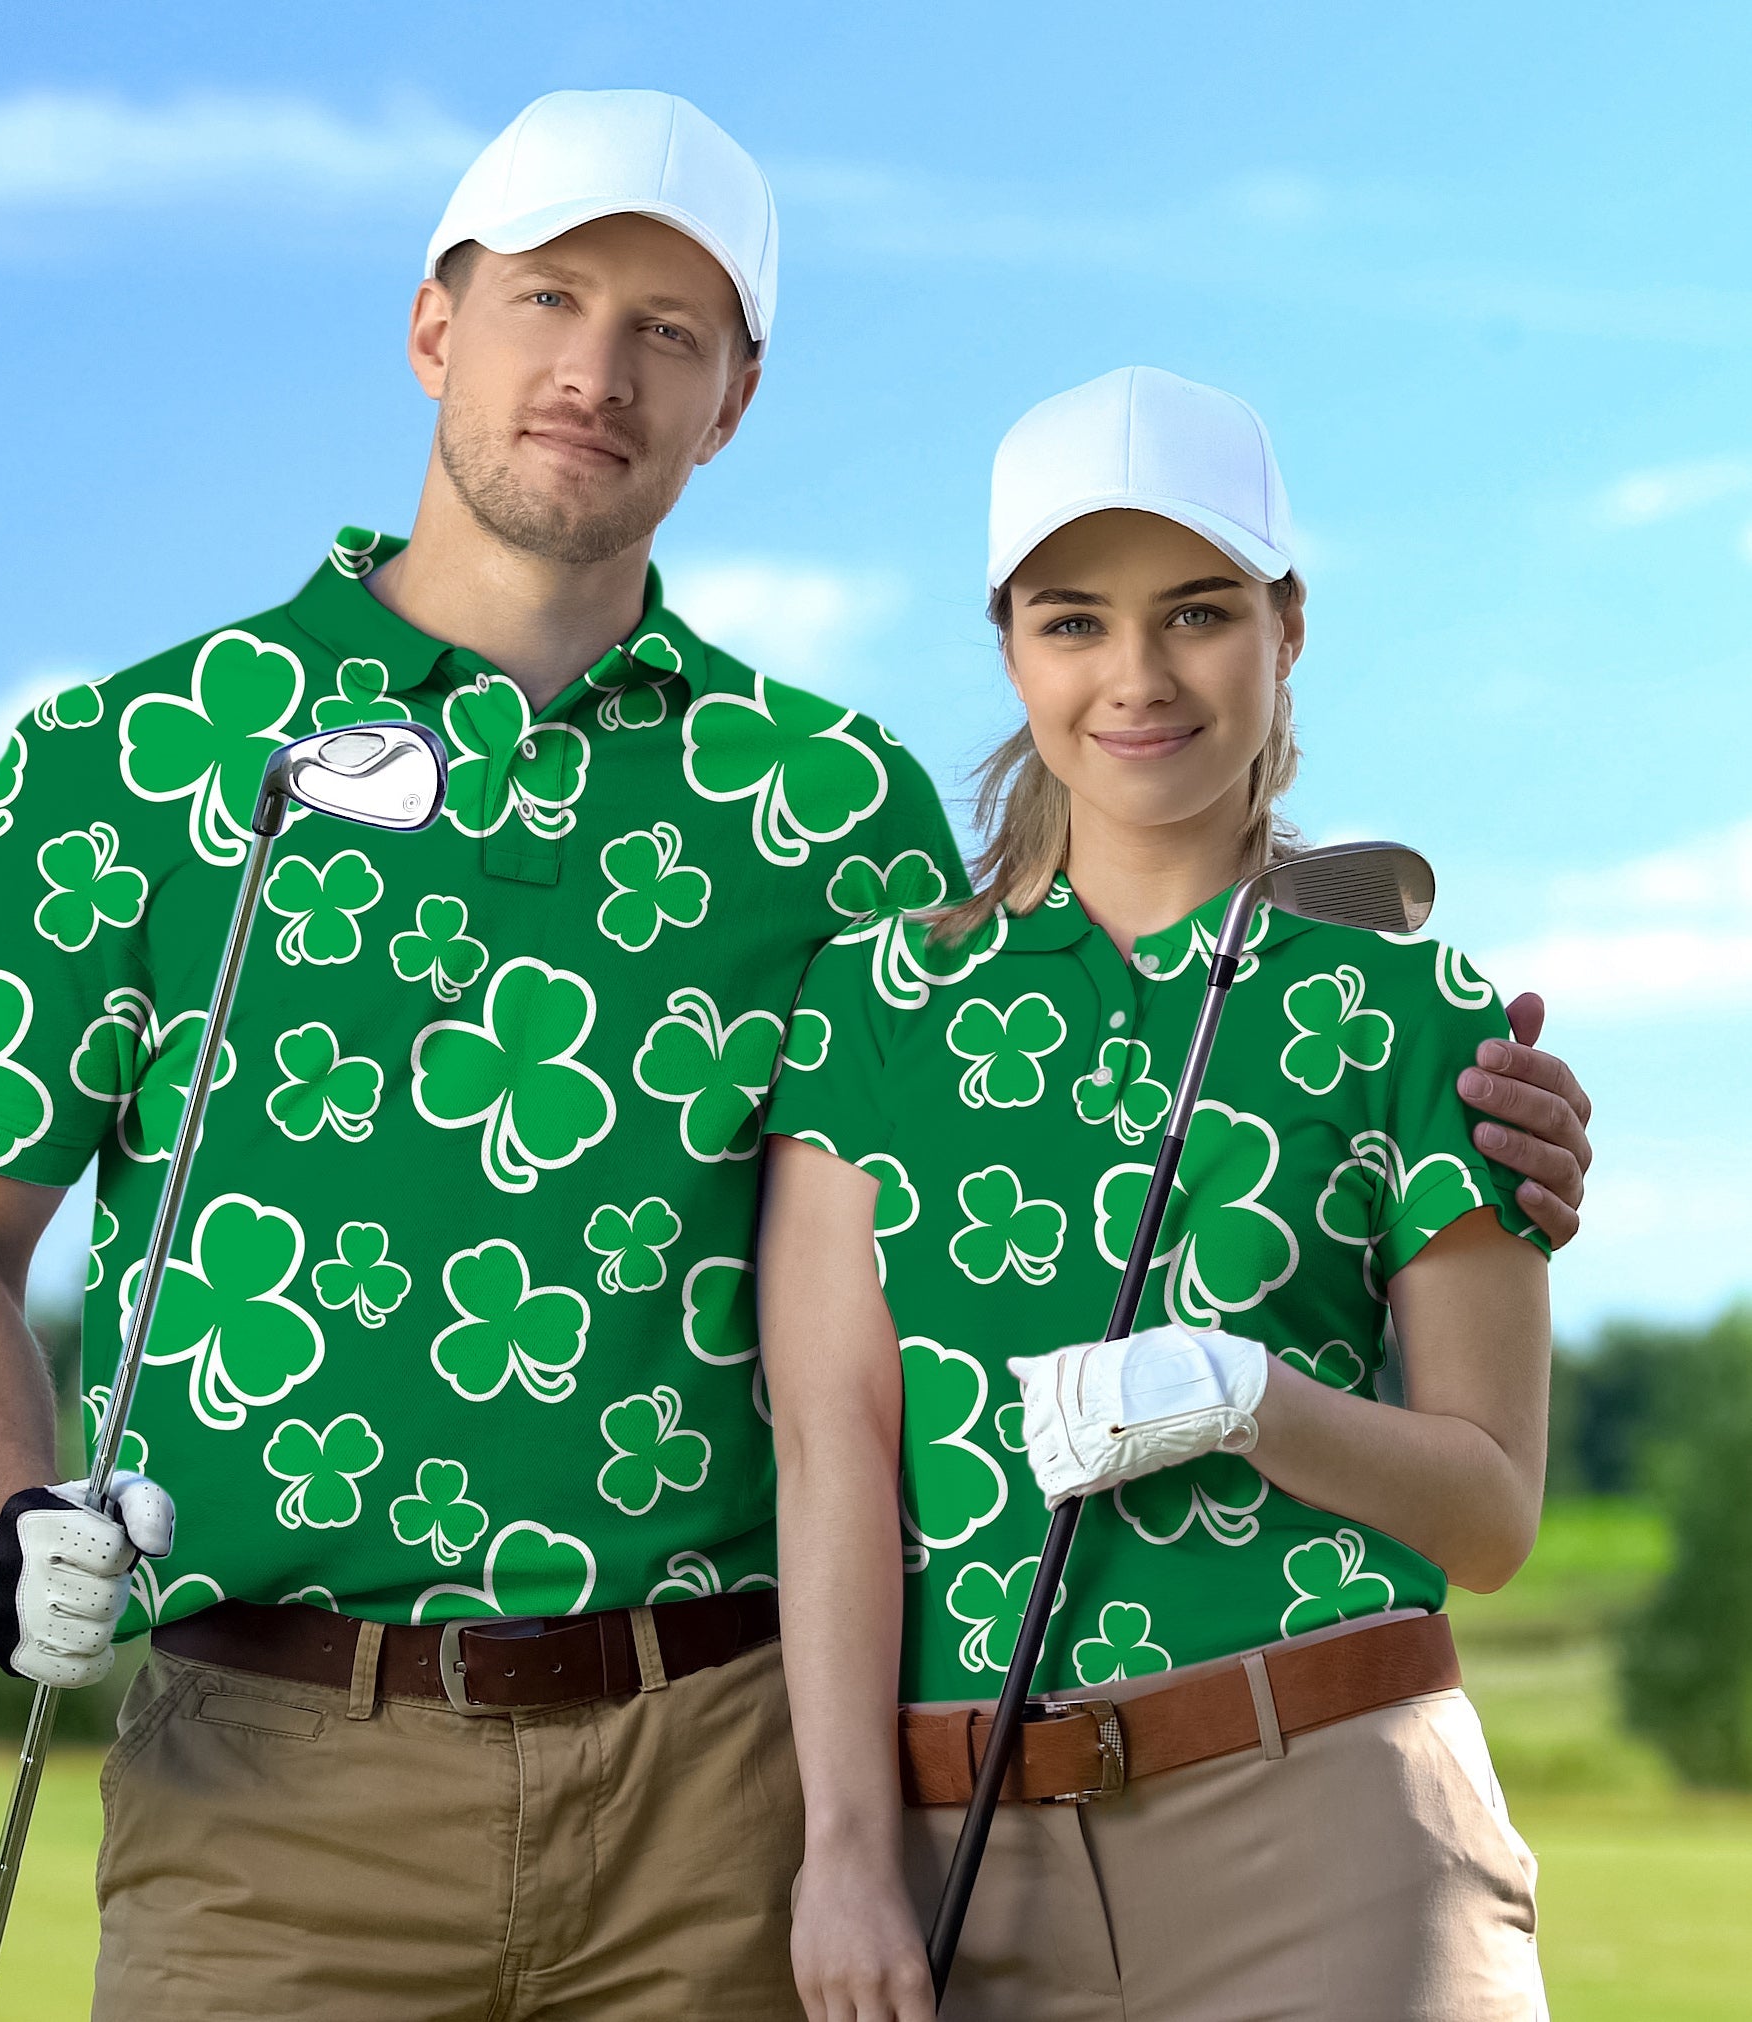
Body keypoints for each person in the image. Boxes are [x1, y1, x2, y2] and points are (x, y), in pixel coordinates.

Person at [0, 84, 1590, 2019]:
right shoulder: (134, 757)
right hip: (268, 1785)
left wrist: (1425, 1055)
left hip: (723, 1780)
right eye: (547, 300)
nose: (596, 370)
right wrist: (14, 1517)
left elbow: (1065, 968)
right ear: (435, 323)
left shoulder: (827, 797)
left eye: (666, 331)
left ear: (734, 397)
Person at [761, 367, 1559, 2020]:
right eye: (1073, 622)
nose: (1135, 677)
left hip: (1333, 1812)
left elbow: (1486, 1517)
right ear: (1007, 646)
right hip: (966, 1851)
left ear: (1284, 627)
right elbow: (832, 1442)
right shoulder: (868, 1010)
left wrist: (1245, 1396)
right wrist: (841, 1845)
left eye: (1196, 612)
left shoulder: (1415, 1009)